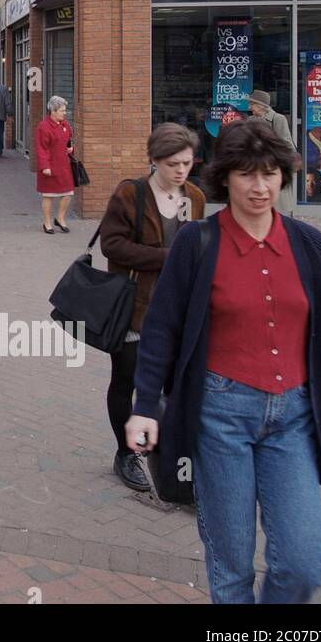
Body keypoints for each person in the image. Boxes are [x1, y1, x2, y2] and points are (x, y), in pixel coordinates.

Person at [127, 120, 321, 604]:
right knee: (232, 568)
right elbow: (160, 329)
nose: (260, 187)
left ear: (283, 176)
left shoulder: (308, 245)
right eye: (247, 174)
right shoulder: (197, 243)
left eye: (269, 173)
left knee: (304, 560)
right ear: (226, 177)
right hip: (220, 417)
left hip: (294, 418)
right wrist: (144, 404)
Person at [98, 124, 206, 492]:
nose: (181, 171)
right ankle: (124, 453)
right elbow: (111, 246)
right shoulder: (131, 193)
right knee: (127, 378)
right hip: (135, 306)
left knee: (176, 382)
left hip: (179, 307)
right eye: (173, 163)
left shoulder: (194, 197)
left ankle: (173, 454)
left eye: (187, 163)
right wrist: (168, 257)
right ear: (155, 160)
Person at [246, 89, 296, 214]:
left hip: (273, 167)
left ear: (261, 106)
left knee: (279, 209)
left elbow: (287, 145)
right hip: (254, 166)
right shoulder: (250, 121)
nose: (250, 107)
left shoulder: (278, 119)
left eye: (252, 104)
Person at [35, 95, 75, 233]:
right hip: (50, 166)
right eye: (62, 110)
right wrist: (45, 166)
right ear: (53, 110)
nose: (65, 113)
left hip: (64, 165)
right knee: (49, 195)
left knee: (68, 193)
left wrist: (70, 149)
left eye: (65, 110)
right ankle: (47, 223)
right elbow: (41, 148)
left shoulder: (65, 125)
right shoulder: (43, 127)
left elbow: (69, 140)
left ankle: (60, 218)